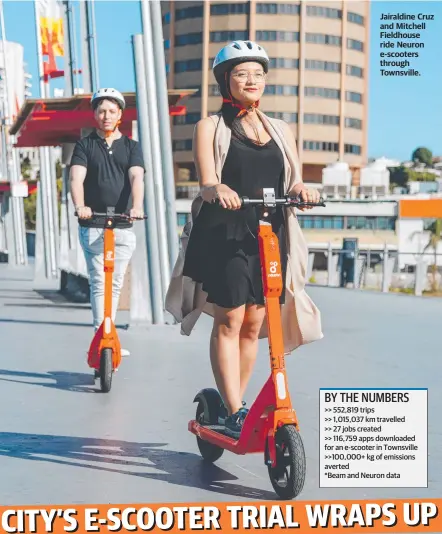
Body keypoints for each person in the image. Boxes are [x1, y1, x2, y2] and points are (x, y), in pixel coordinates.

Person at [165, 41, 323, 439]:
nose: (251, 80)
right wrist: (217, 189)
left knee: (256, 322)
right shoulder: (211, 127)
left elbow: (294, 178)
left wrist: (304, 190)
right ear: (225, 81)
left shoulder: (281, 130)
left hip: (272, 231)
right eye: (241, 74)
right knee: (231, 317)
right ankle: (234, 409)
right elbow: (205, 182)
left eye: (257, 74)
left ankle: (238, 403)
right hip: (227, 231)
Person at [69, 88, 145, 356]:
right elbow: (76, 178)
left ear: (120, 115)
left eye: (112, 111)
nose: (106, 116)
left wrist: (136, 207)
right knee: (99, 281)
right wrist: (81, 206)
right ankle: (102, 336)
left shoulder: (132, 147)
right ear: (94, 115)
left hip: (123, 224)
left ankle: (109, 333)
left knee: (114, 283)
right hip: (94, 224)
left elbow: (137, 177)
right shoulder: (85, 146)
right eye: (101, 111)